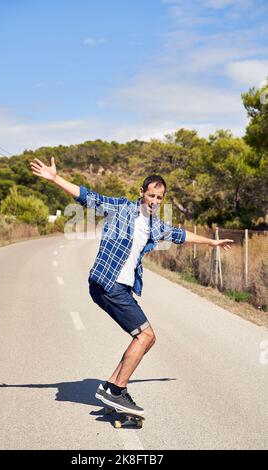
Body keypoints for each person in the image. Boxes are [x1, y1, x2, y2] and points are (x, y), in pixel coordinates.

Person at [30, 157, 233, 416]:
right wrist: (55, 179)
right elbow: (88, 197)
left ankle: (111, 387)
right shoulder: (122, 208)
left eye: (160, 198)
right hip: (108, 282)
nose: (155, 202)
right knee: (145, 336)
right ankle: (116, 391)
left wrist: (211, 243)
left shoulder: (154, 224)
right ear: (141, 192)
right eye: (151, 195)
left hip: (122, 288)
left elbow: (179, 235)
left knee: (146, 339)